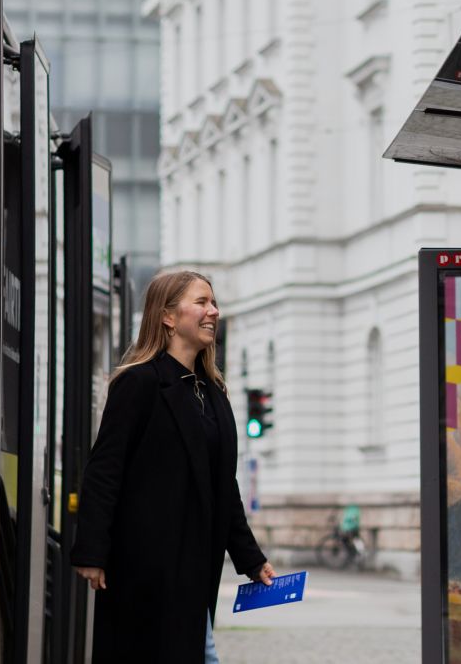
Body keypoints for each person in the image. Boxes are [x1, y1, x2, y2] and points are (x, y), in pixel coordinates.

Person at [72, 270, 275, 663]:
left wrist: (250, 558)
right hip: (144, 566)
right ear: (167, 316)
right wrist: (92, 551)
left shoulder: (213, 393)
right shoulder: (138, 383)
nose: (213, 311)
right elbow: (105, 470)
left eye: (213, 303)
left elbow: (223, 486)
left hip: (194, 566)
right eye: (201, 302)